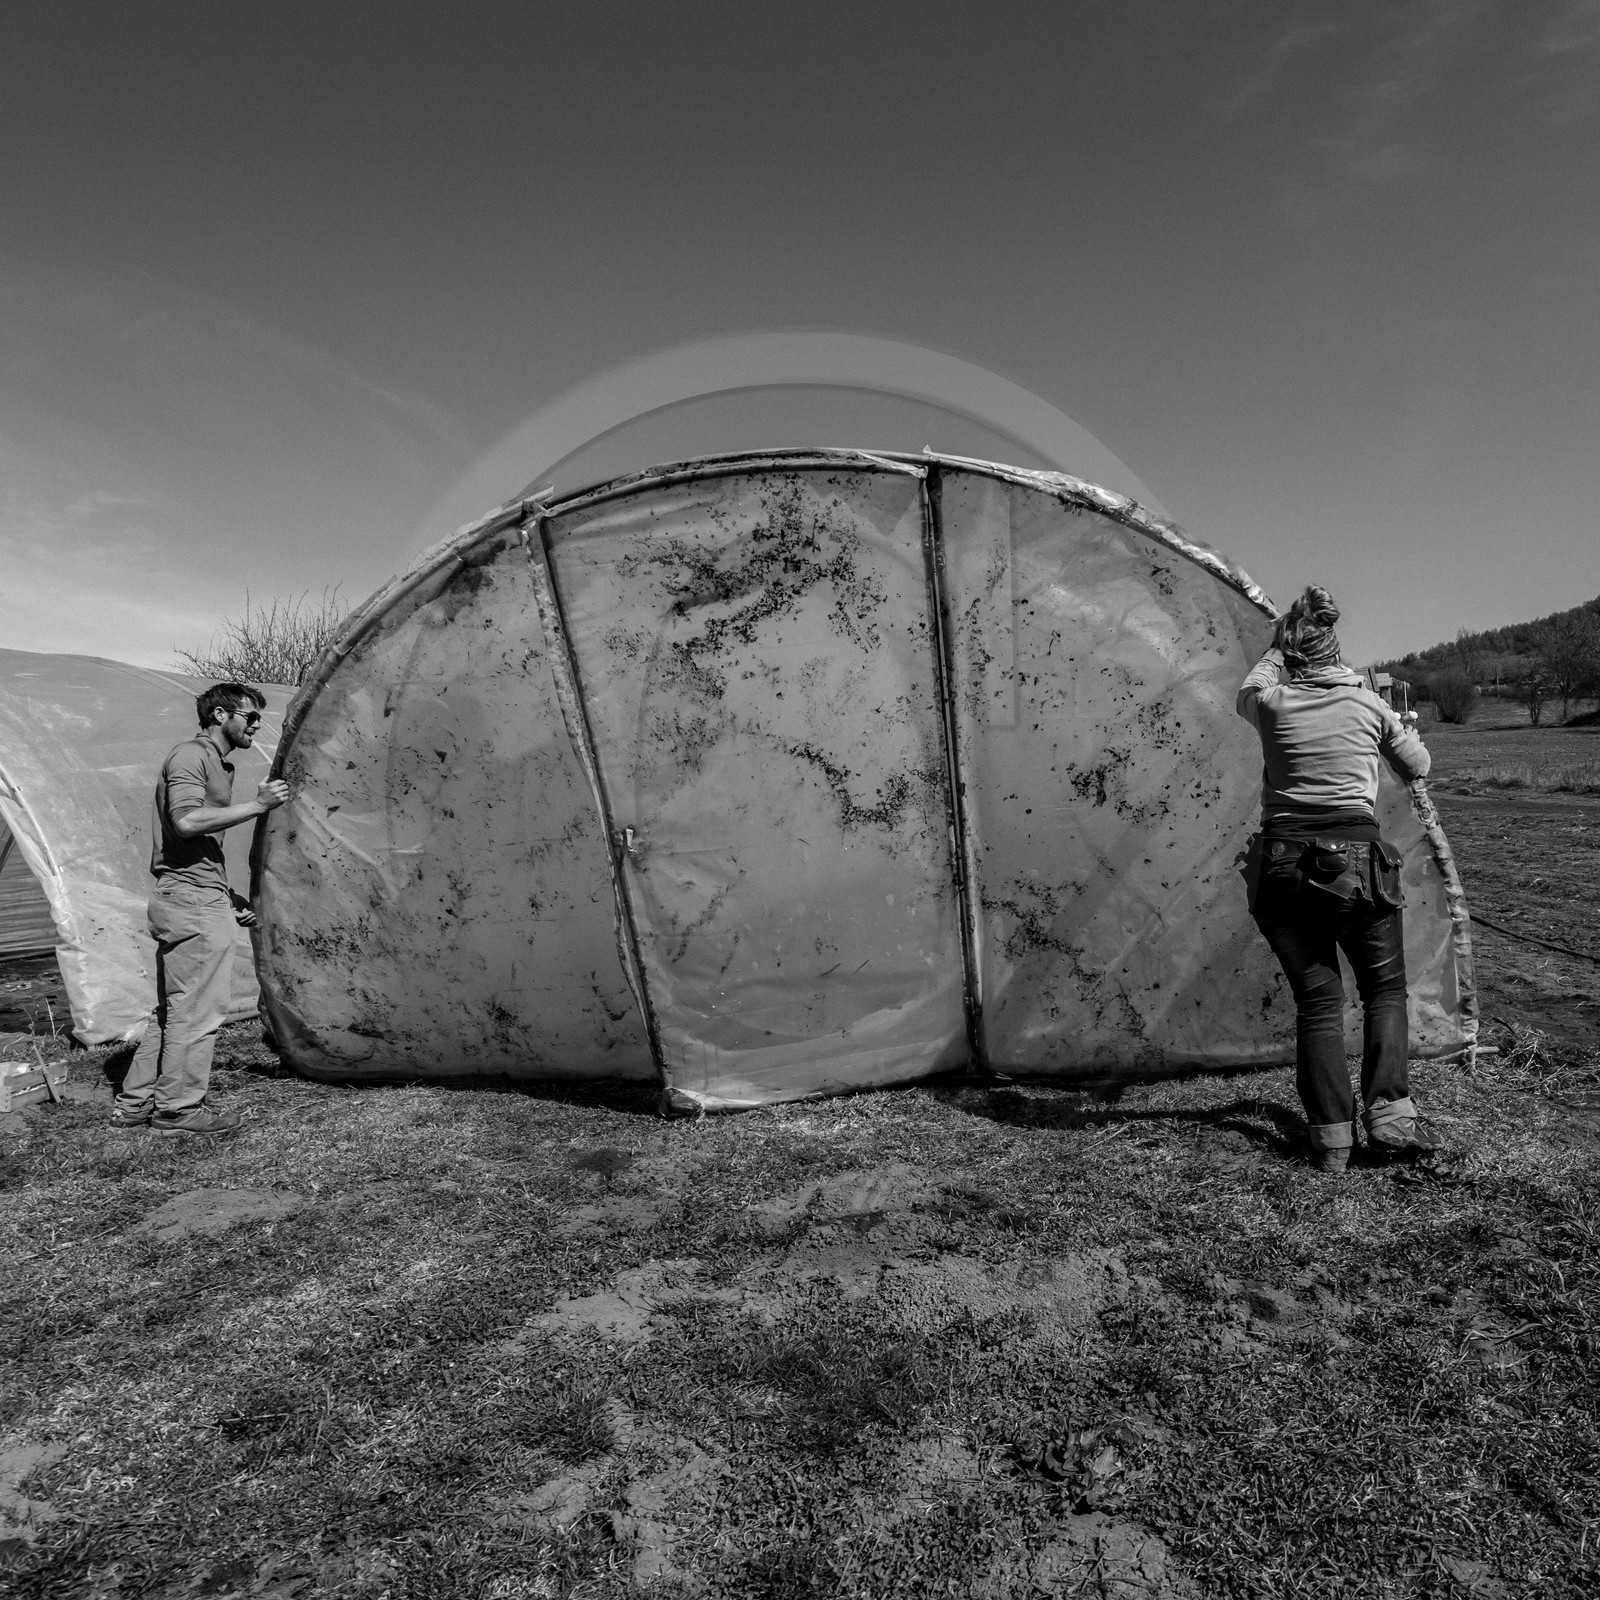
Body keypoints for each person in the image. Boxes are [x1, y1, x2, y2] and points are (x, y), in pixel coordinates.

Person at [1237, 586, 1444, 1174]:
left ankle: (1331, 1142)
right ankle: (1391, 1124)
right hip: (1358, 863)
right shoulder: (1367, 706)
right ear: (1336, 654)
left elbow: (1254, 681)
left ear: (1287, 653)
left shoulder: (1269, 702)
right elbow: (1419, 767)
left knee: (1318, 1004)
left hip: (1280, 863)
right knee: (1383, 992)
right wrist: (1379, 704)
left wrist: (1286, 638)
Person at [110, 683, 289, 1135]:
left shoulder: (214, 763)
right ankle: (178, 1111)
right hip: (190, 900)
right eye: (249, 717)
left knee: (176, 1009)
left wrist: (226, 897)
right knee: (199, 1012)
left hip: (193, 894)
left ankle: (136, 1104)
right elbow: (186, 822)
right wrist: (259, 805)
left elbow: (196, 847)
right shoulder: (192, 755)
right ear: (220, 715)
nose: (255, 725)